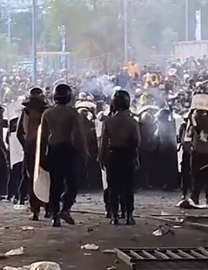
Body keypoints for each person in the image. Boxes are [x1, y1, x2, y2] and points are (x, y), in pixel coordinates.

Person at [41, 84, 89, 227]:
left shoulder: (47, 114)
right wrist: (85, 151)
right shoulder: (72, 113)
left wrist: (42, 155)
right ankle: (66, 209)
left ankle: (55, 216)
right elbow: (79, 134)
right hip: (68, 150)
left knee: (55, 184)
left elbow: (42, 137)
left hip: (53, 150)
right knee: (72, 184)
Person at [98, 90, 141, 225]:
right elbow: (137, 141)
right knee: (128, 187)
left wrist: (101, 157)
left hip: (113, 155)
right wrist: (135, 157)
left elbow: (104, 142)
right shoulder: (132, 122)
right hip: (127, 155)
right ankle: (129, 215)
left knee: (113, 188)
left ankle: (114, 216)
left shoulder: (109, 122)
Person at [17, 87, 48, 220]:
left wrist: (25, 147)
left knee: (32, 179)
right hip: (44, 147)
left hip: (30, 148)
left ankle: (35, 211)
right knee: (46, 178)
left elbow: (19, 133)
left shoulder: (25, 112)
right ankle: (48, 208)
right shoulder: (47, 113)